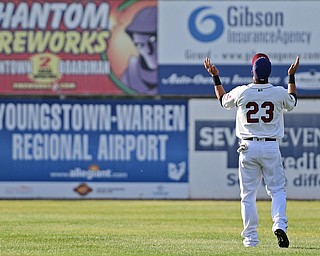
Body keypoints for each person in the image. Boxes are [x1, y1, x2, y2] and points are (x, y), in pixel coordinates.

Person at [204, 53, 300, 248]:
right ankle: (279, 224)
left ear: (252, 72)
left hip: (247, 146)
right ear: (270, 72)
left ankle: (250, 239)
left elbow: (223, 100)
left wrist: (215, 76)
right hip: (271, 145)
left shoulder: (242, 92)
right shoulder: (278, 92)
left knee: (248, 195)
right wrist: (291, 76)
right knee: (277, 190)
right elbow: (293, 100)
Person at [121, 6, 157, 95]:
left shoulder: (181, 75)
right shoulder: (129, 77)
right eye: (140, 45)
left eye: (153, 42)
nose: (148, 50)